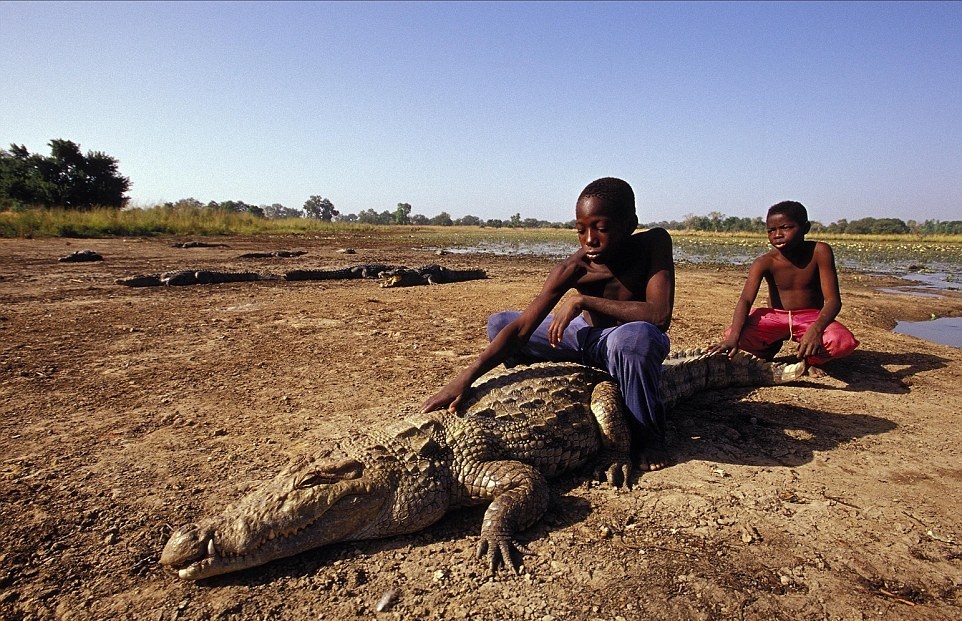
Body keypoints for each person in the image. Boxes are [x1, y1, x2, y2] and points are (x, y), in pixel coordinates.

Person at [420, 177, 675, 471]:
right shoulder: (572, 268)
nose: (590, 239)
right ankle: (556, 382)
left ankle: (648, 436)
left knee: (637, 338)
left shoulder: (654, 242)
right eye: (581, 230)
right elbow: (522, 329)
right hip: (584, 339)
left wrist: (584, 301)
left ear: (630, 223)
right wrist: (466, 377)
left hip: (624, 339)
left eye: (601, 228)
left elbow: (659, 315)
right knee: (501, 323)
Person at [708, 200, 858, 368]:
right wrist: (733, 338)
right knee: (732, 333)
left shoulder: (819, 251)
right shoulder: (764, 262)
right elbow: (746, 300)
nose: (777, 234)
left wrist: (816, 330)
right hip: (775, 317)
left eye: (786, 227)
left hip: (811, 317)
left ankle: (811, 361)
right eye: (771, 230)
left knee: (841, 341)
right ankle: (767, 349)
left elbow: (833, 301)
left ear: (805, 228)